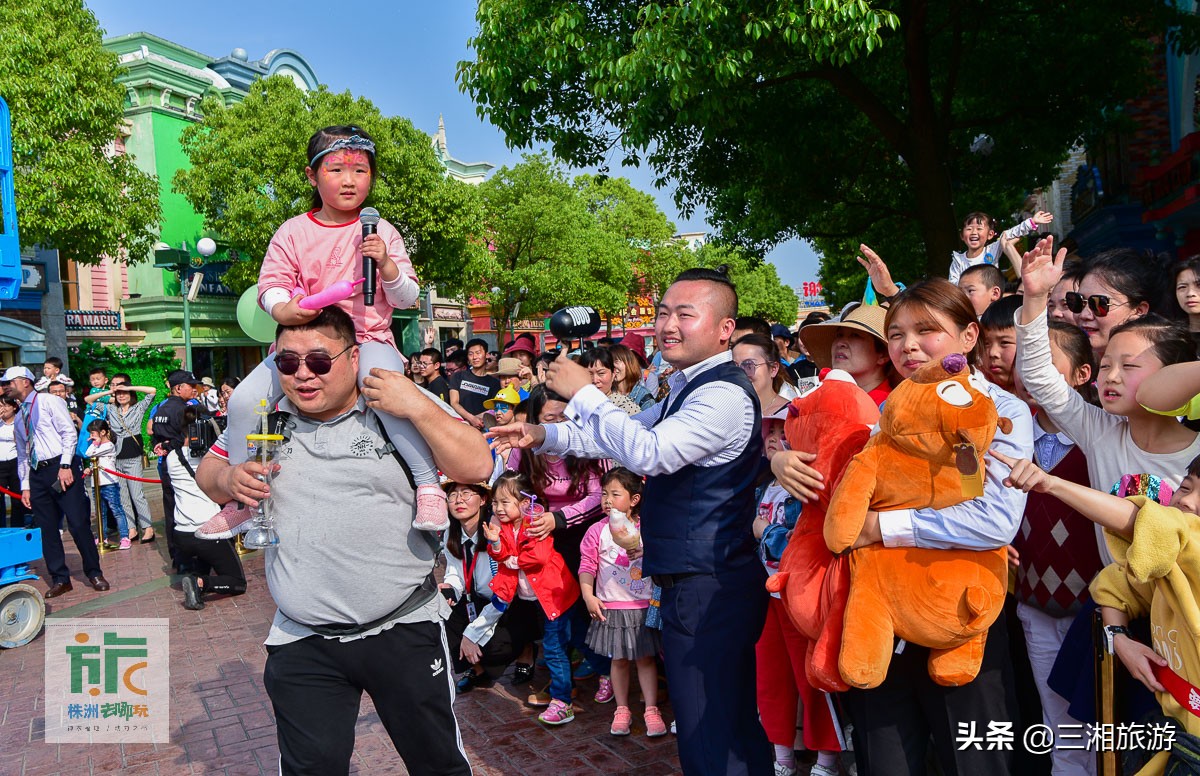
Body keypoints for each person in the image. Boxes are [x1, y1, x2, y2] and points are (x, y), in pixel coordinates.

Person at [490, 266, 774, 775]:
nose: (669, 323)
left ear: (725, 329)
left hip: (713, 579)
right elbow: (616, 437)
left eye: (686, 313)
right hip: (693, 578)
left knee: (711, 723)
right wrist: (543, 435)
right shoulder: (685, 388)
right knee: (713, 718)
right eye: (664, 311)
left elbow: (650, 453)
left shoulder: (724, 394)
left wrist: (585, 393)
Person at [196, 305, 491, 775]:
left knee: (437, 764)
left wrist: (415, 401)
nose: (303, 375)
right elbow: (208, 473)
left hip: (402, 627)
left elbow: (477, 466)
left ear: (354, 357)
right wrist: (229, 478)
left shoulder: (393, 407)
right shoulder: (267, 416)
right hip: (303, 638)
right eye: (287, 363)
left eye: (318, 360)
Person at [774, 277, 1035, 776]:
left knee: (975, 762)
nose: (908, 346)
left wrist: (881, 527)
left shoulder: (1000, 413)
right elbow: (834, 484)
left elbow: (996, 519)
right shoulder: (881, 418)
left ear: (968, 336)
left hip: (961, 617)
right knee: (886, 758)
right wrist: (781, 461)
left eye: (926, 331)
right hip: (878, 617)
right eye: (896, 334)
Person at [221, 124, 449, 535]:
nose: (349, 181)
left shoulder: (383, 232)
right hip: (306, 343)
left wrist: (386, 265)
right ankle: (243, 495)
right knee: (241, 402)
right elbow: (271, 285)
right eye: (337, 170)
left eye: (360, 171)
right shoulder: (292, 231)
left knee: (386, 394)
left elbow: (406, 297)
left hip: (368, 339)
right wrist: (283, 308)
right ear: (312, 175)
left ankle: (429, 485)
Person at [994, 449, 1200, 775]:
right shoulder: (1170, 567)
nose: (1187, 502)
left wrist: (1052, 485)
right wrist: (1120, 638)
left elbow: (1154, 525)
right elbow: (1115, 588)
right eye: (1185, 487)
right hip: (1173, 737)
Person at [1016, 237, 1200, 564]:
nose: (1111, 377)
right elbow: (1038, 376)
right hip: (1116, 606)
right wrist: (1033, 298)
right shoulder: (1100, 431)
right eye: (1105, 366)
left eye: (1129, 366)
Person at [1008, 320, 1102, 776]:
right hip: (1034, 604)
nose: (1029, 370)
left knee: (1107, 722)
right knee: (1057, 720)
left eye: (1042, 360)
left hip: (1100, 611)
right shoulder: (1008, 433)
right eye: (1023, 359)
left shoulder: (1104, 438)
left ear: (1082, 375)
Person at [752, 405, 842, 776]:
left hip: (801, 596)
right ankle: (782, 754)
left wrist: (761, 531)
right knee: (771, 676)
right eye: (769, 432)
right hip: (766, 596)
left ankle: (826, 758)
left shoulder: (807, 484)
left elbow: (796, 542)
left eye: (783, 431)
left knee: (812, 677)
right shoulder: (763, 486)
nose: (775, 439)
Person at [481, 470, 581, 726]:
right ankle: (604, 673)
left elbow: (538, 557)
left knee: (555, 647)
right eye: (495, 502)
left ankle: (562, 702)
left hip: (554, 595)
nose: (499, 508)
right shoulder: (502, 527)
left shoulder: (534, 523)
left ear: (525, 503)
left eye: (505, 502)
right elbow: (499, 553)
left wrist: (510, 560)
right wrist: (494, 544)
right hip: (535, 597)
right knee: (573, 640)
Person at [2, 366, 108, 597]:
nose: (6, 386)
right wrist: (26, 486)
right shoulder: (20, 417)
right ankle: (60, 578)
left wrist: (65, 465)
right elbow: (22, 454)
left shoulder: (49, 401)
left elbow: (68, 433)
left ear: (25, 382)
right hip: (37, 473)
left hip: (61, 466)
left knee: (78, 523)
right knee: (47, 528)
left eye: (9, 382)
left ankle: (94, 572)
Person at [579, 467, 666, 737]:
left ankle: (651, 708)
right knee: (618, 660)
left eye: (615, 494)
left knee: (645, 659)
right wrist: (588, 595)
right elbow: (587, 565)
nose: (607, 500)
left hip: (643, 605)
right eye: (604, 493)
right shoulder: (597, 531)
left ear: (634, 499)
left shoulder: (647, 527)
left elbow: (661, 556)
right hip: (612, 606)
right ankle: (622, 708)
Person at [441, 478, 541, 693]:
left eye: (466, 493)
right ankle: (476, 667)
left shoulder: (496, 533)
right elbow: (455, 570)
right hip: (475, 598)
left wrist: (472, 634)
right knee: (441, 608)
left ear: (484, 499)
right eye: (452, 495)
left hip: (507, 602)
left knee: (496, 647)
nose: (459, 500)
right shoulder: (451, 532)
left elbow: (505, 591)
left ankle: (525, 649)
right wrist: (450, 586)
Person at [86, 374, 158, 542]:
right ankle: (131, 528)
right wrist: (109, 392)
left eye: (124, 393)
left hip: (133, 457)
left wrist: (129, 387)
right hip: (116, 458)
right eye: (119, 394)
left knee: (137, 494)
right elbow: (89, 399)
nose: (122, 395)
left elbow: (152, 392)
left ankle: (148, 527)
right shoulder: (111, 409)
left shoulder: (138, 408)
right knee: (123, 496)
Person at [1065, 247, 1166, 359]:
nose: (1084, 315)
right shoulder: (1072, 366)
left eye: (1099, 304)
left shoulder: (1162, 371)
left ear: (1139, 310)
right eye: (1078, 301)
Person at [798, 301, 895, 405]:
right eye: (839, 335)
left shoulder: (891, 408)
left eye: (855, 335)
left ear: (883, 354)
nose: (840, 343)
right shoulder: (826, 399)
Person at [948, 210, 1051, 284]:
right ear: (962, 236)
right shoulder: (958, 260)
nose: (974, 232)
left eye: (979, 229)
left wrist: (1032, 222)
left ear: (990, 234)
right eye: (969, 229)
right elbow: (952, 284)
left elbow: (1009, 234)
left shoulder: (992, 250)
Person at [81, 420, 132, 549]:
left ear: (102, 432)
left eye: (93, 433)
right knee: (100, 512)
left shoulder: (109, 445)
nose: (91, 436)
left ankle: (125, 537)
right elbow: (88, 454)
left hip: (109, 483)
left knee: (116, 510)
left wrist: (95, 443)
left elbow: (89, 454)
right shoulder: (96, 446)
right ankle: (102, 537)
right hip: (96, 484)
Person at [731, 333, 790, 418]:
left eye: (749, 365)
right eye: (734, 366)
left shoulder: (790, 414)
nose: (741, 373)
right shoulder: (725, 411)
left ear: (773, 369)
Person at [449, 338, 501, 428]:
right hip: (459, 426)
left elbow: (493, 408)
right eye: (471, 354)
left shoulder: (494, 383)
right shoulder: (458, 376)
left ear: (486, 355)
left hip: (482, 427)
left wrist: (478, 420)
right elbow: (454, 403)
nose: (474, 357)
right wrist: (471, 419)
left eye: (478, 353)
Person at [978, 295, 1024, 392]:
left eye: (1004, 342)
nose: (992, 353)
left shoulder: (1043, 399)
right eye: (986, 344)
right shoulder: (977, 387)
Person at [578, 348, 642, 415]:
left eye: (601, 373)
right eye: (589, 374)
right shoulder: (574, 406)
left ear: (613, 373)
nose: (595, 380)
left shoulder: (626, 408)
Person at [0, 397, 28, 528]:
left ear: (14, 407)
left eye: (6, 406)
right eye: (1, 406)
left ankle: (18, 526)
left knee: (17, 497)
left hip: (15, 460)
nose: (3, 409)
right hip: (1, 462)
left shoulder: (18, 421)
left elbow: (22, 442)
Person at [608, 342, 656, 411]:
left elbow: (651, 420)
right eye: (609, 363)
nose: (613, 367)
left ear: (629, 363)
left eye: (616, 362)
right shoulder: (604, 394)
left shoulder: (643, 396)